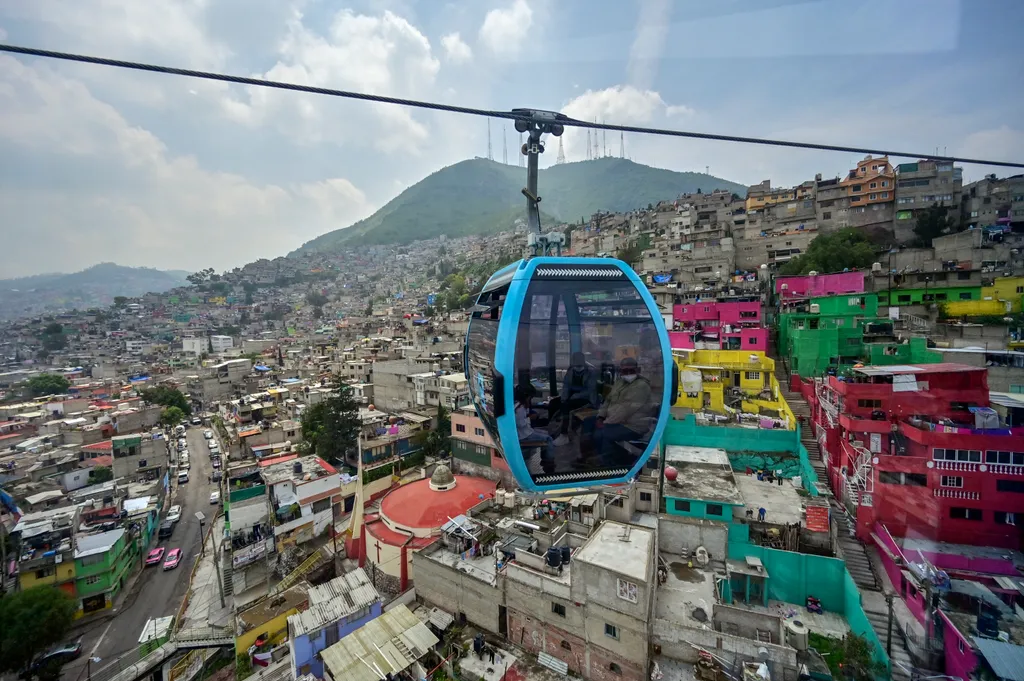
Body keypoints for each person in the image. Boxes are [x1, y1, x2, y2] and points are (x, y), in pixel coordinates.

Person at [590, 357, 653, 466]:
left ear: (638, 370)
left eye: (631, 371)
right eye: (625, 371)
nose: (628, 373)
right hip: (617, 421)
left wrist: (606, 423)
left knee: (603, 434)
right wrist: (600, 416)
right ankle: (594, 456)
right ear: (620, 371)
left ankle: (609, 465)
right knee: (588, 423)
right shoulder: (619, 382)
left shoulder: (641, 386)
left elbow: (625, 410)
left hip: (633, 426)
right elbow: (608, 400)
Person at [553, 351, 599, 446]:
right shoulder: (571, 370)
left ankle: (564, 434)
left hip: (587, 399)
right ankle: (557, 431)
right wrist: (564, 397)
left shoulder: (591, 371)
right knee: (554, 403)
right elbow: (566, 386)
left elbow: (590, 390)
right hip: (572, 397)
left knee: (566, 406)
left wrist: (575, 396)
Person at [515, 385, 555, 471]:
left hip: (525, 432)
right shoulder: (520, 408)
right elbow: (520, 423)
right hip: (523, 436)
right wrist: (530, 418)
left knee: (546, 433)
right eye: (530, 397)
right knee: (549, 439)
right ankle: (548, 463)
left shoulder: (518, 405)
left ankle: (545, 458)